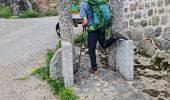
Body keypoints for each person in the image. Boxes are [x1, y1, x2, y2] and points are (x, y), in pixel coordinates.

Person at [80, 1, 127, 74]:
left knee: (91, 49)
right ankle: (115, 37)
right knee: (104, 44)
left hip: (92, 30)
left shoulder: (83, 4)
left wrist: (83, 24)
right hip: (101, 27)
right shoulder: (97, 2)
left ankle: (94, 69)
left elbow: (85, 22)